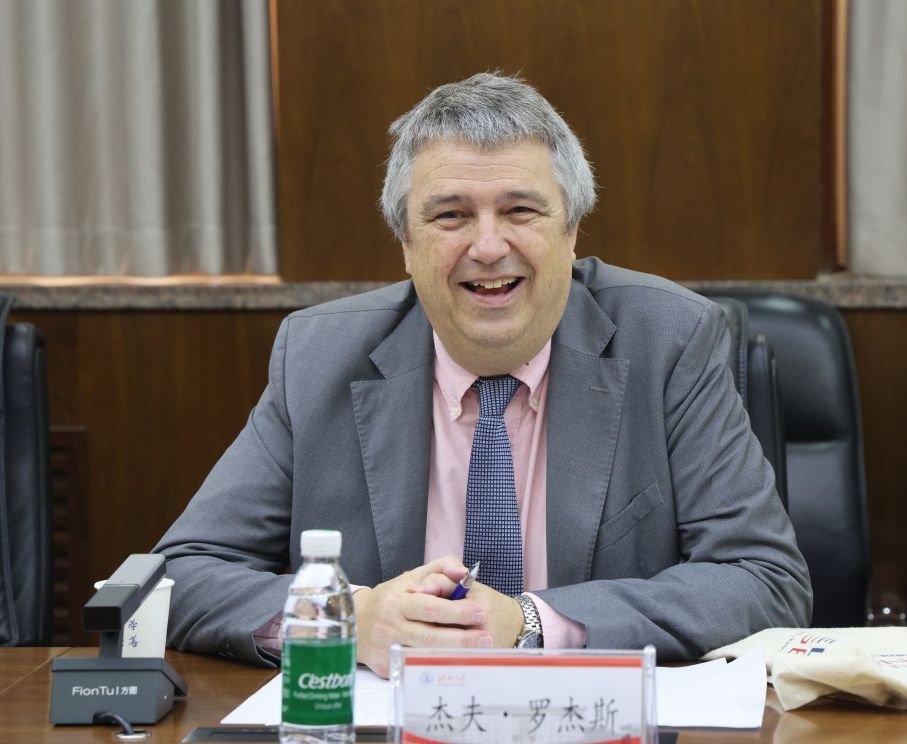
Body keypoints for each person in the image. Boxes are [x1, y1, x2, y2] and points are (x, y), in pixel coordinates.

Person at [154, 72, 812, 678]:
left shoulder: (669, 341)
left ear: (572, 232)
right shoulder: (319, 356)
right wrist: (348, 619)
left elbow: (764, 580)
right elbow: (178, 577)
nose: (489, 247)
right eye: (451, 216)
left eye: (521, 211)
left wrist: (529, 624)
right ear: (406, 244)